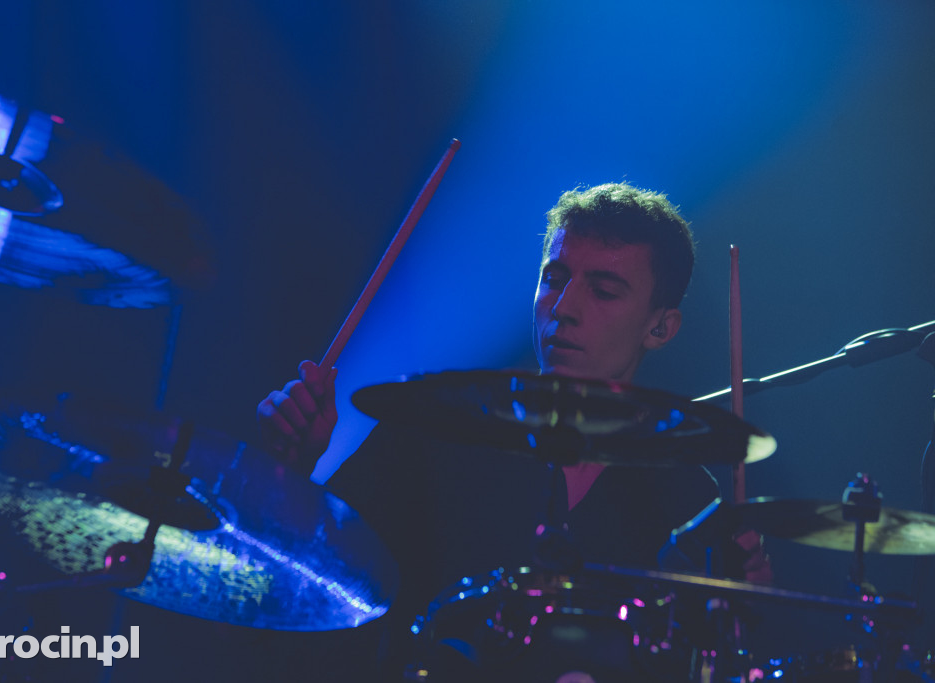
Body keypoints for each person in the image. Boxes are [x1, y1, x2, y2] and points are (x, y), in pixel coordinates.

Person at [257, 182, 766, 681]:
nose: (563, 307)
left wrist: (734, 614)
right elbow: (316, 577)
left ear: (660, 327)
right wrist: (290, 471)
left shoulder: (686, 500)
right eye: (554, 279)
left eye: (604, 291)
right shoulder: (436, 427)